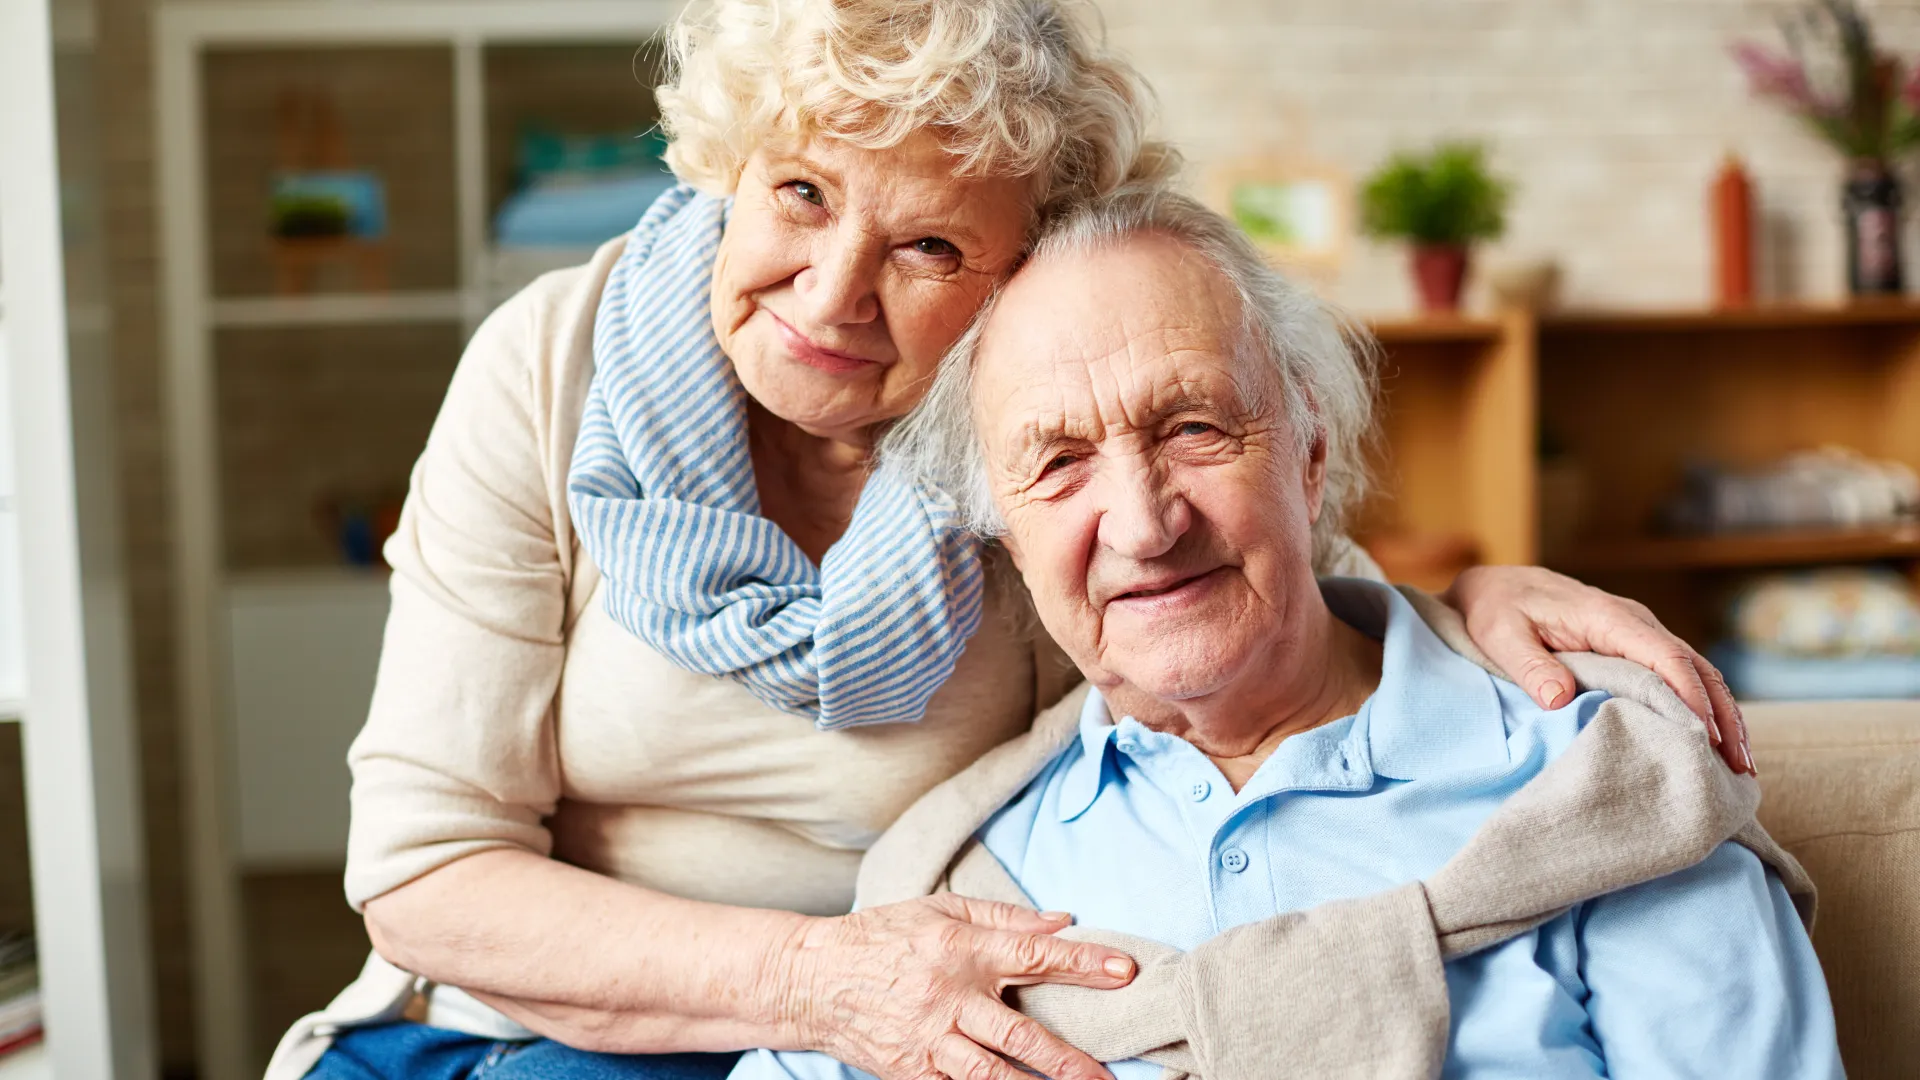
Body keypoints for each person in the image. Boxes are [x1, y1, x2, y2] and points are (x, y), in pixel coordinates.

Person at [271, 2, 1754, 1078]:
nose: (836, 293)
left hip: (888, 1036)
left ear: (1012, 291)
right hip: (529, 1031)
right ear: (729, 164)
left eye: (928, 248)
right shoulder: (552, 364)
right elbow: (422, 869)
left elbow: (1204, 583)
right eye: (799, 194)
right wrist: (819, 984)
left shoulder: (1024, 456)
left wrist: (1464, 602)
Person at [735, 189, 1841, 1080]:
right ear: (1005, 537)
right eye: (1059, 463)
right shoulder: (954, 886)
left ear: (1309, 452)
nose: (1143, 523)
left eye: (1195, 426)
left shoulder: (1602, 784)